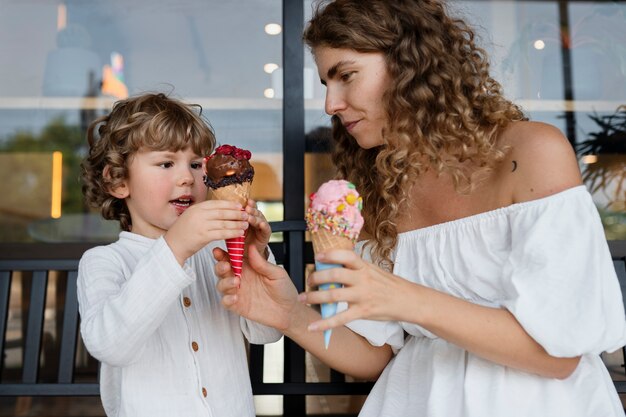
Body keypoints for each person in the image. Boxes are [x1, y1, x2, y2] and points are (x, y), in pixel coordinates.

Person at [214, 1, 626, 416]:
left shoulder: (532, 152)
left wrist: (404, 298)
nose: (330, 104)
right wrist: (287, 311)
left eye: (346, 76)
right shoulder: (384, 183)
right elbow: (375, 354)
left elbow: (558, 355)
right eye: (326, 83)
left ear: (410, 65)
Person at [77, 92, 281, 417]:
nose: (188, 177)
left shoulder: (216, 254)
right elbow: (110, 345)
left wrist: (253, 258)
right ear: (117, 181)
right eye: (166, 163)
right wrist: (176, 247)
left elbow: (266, 333)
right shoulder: (104, 262)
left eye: (197, 164)